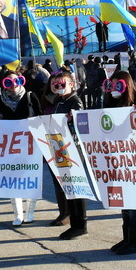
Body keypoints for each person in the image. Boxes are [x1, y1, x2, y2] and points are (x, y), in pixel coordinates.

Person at [0, 70, 42, 225]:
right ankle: (18, 214)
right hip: (11, 145)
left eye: (17, 81)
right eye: (8, 82)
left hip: (31, 144)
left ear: (21, 81)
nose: (13, 85)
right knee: (12, 179)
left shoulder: (30, 96)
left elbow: (41, 115)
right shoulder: (1, 100)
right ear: (4, 84)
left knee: (31, 177)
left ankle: (30, 213)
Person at [104, 71, 136, 255]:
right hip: (117, 158)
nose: (114, 89)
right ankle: (127, 237)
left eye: (117, 85)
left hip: (133, 160)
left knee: (133, 201)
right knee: (124, 201)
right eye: (111, 85)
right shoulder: (112, 102)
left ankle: (135, 241)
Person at [46, 70, 87, 238]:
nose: (59, 87)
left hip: (73, 149)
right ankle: (73, 220)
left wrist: (72, 120)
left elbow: (80, 122)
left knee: (76, 187)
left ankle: (80, 224)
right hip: (60, 149)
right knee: (68, 187)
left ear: (71, 84)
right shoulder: (58, 101)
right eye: (55, 85)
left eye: (62, 84)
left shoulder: (74, 101)